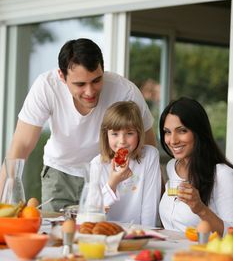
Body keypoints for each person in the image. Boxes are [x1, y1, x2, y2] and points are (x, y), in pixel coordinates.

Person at [0, 38, 156, 211]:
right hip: (60, 172)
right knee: (58, 232)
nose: (90, 91)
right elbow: (21, 145)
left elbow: (148, 147)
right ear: (62, 76)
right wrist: (3, 199)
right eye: (80, 84)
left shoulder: (126, 91)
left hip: (105, 173)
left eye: (96, 81)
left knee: (95, 232)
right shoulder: (46, 87)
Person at [159, 97, 233, 236]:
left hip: (205, 255)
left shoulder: (222, 174)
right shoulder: (171, 167)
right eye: (167, 132)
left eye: (181, 131)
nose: (173, 140)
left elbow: (231, 234)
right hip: (170, 254)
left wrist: (200, 208)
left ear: (198, 132)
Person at [90, 101, 161, 227]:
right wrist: (113, 182)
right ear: (106, 135)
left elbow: (150, 205)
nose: (122, 141)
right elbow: (94, 213)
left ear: (139, 134)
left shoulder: (150, 156)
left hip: (138, 231)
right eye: (115, 134)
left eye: (129, 133)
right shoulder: (97, 164)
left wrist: (147, 233)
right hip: (107, 230)